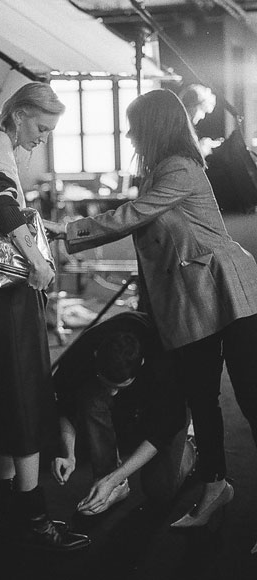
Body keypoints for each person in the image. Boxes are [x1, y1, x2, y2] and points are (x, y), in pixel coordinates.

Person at [45, 88, 257, 528]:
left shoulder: (180, 168)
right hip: (190, 301)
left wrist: (66, 231)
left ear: (154, 127)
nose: (129, 135)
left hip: (228, 290)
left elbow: (132, 215)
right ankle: (215, 487)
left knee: (252, 397)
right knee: (202, 399)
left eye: (133, 126)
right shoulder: (161, 171)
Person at [0, 82, 89, 551]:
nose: (43, 137)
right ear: (18, 114)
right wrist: (37, 259)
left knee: (5, 393)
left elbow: (4, 207)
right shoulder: (0, 143)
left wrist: (46, 227)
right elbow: (0, 201)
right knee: (24, 396)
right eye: (41, 127)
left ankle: (10, 516)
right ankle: (35, 522)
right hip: (11, 292)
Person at [52, 310, 195, 517]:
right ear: (96, 356)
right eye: (107, 383)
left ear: (142, 363)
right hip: (133, 401)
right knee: (93, 396)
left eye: (118, 386)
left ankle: (191, 446)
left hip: (169, 405)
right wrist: (69, 455)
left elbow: (164, 429)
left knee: (161, 490)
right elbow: (64, 403)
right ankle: (112, 481)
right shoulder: (84, 350)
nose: (111, 392)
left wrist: (113, 480)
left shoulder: (163, 361)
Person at [180, 83, 222, 157]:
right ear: (193, 106)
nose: (203, 117)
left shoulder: (185, 128)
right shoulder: (180, 129)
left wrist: (202, 144)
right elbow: (184, 158)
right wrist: (202, 151)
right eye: (202, 110)